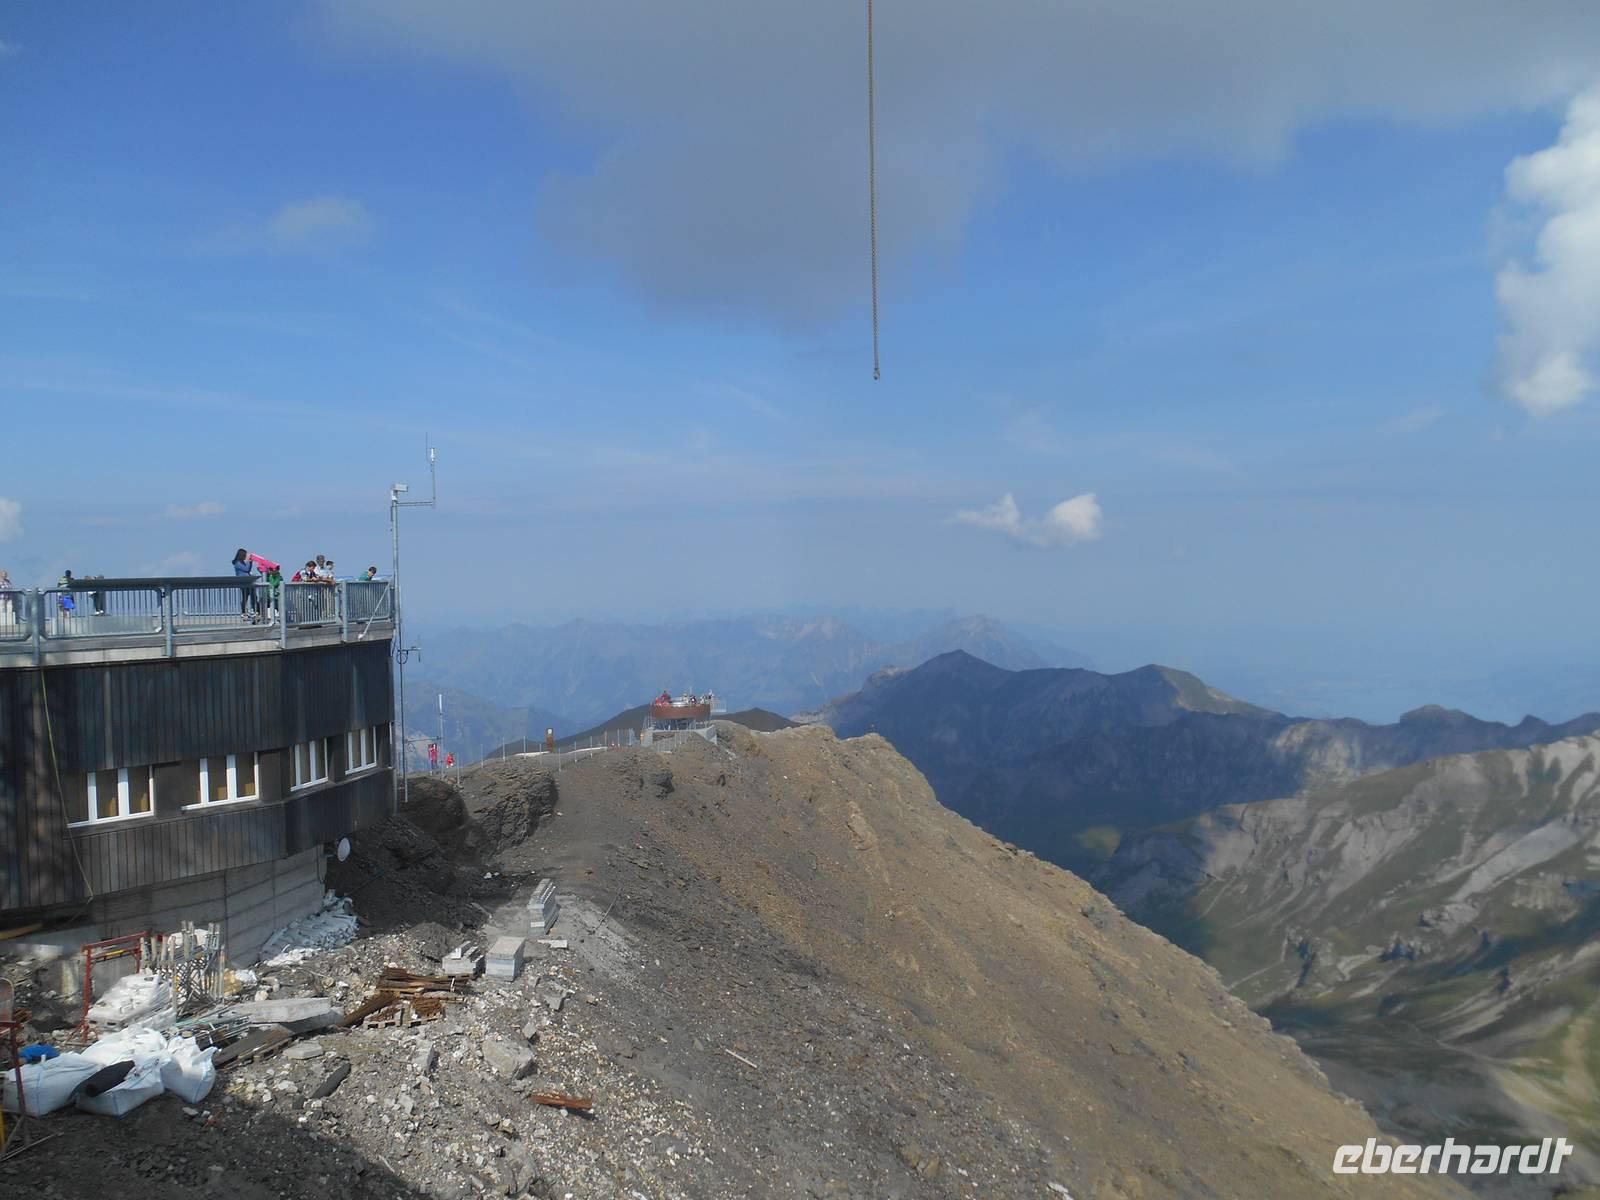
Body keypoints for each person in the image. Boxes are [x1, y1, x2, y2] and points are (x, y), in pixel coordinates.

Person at [231, 548, 261, 620]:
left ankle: (256, 611)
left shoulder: (242, 562)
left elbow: (248, 569)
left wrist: (250, 562)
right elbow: (246, 569)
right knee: (245, 597)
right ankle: (244, 612)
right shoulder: (237, 563)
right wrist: (249, 561)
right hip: (243, 582)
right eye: (245, 555)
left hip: (248, 582)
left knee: (254, 597)